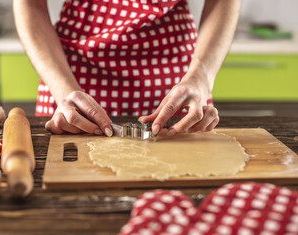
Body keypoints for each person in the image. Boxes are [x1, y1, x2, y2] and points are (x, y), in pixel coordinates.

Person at [13, 0, 240, 137]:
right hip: (71, 73)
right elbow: (30, 4)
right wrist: (64, 90)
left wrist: (200, 75)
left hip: (178, 76)